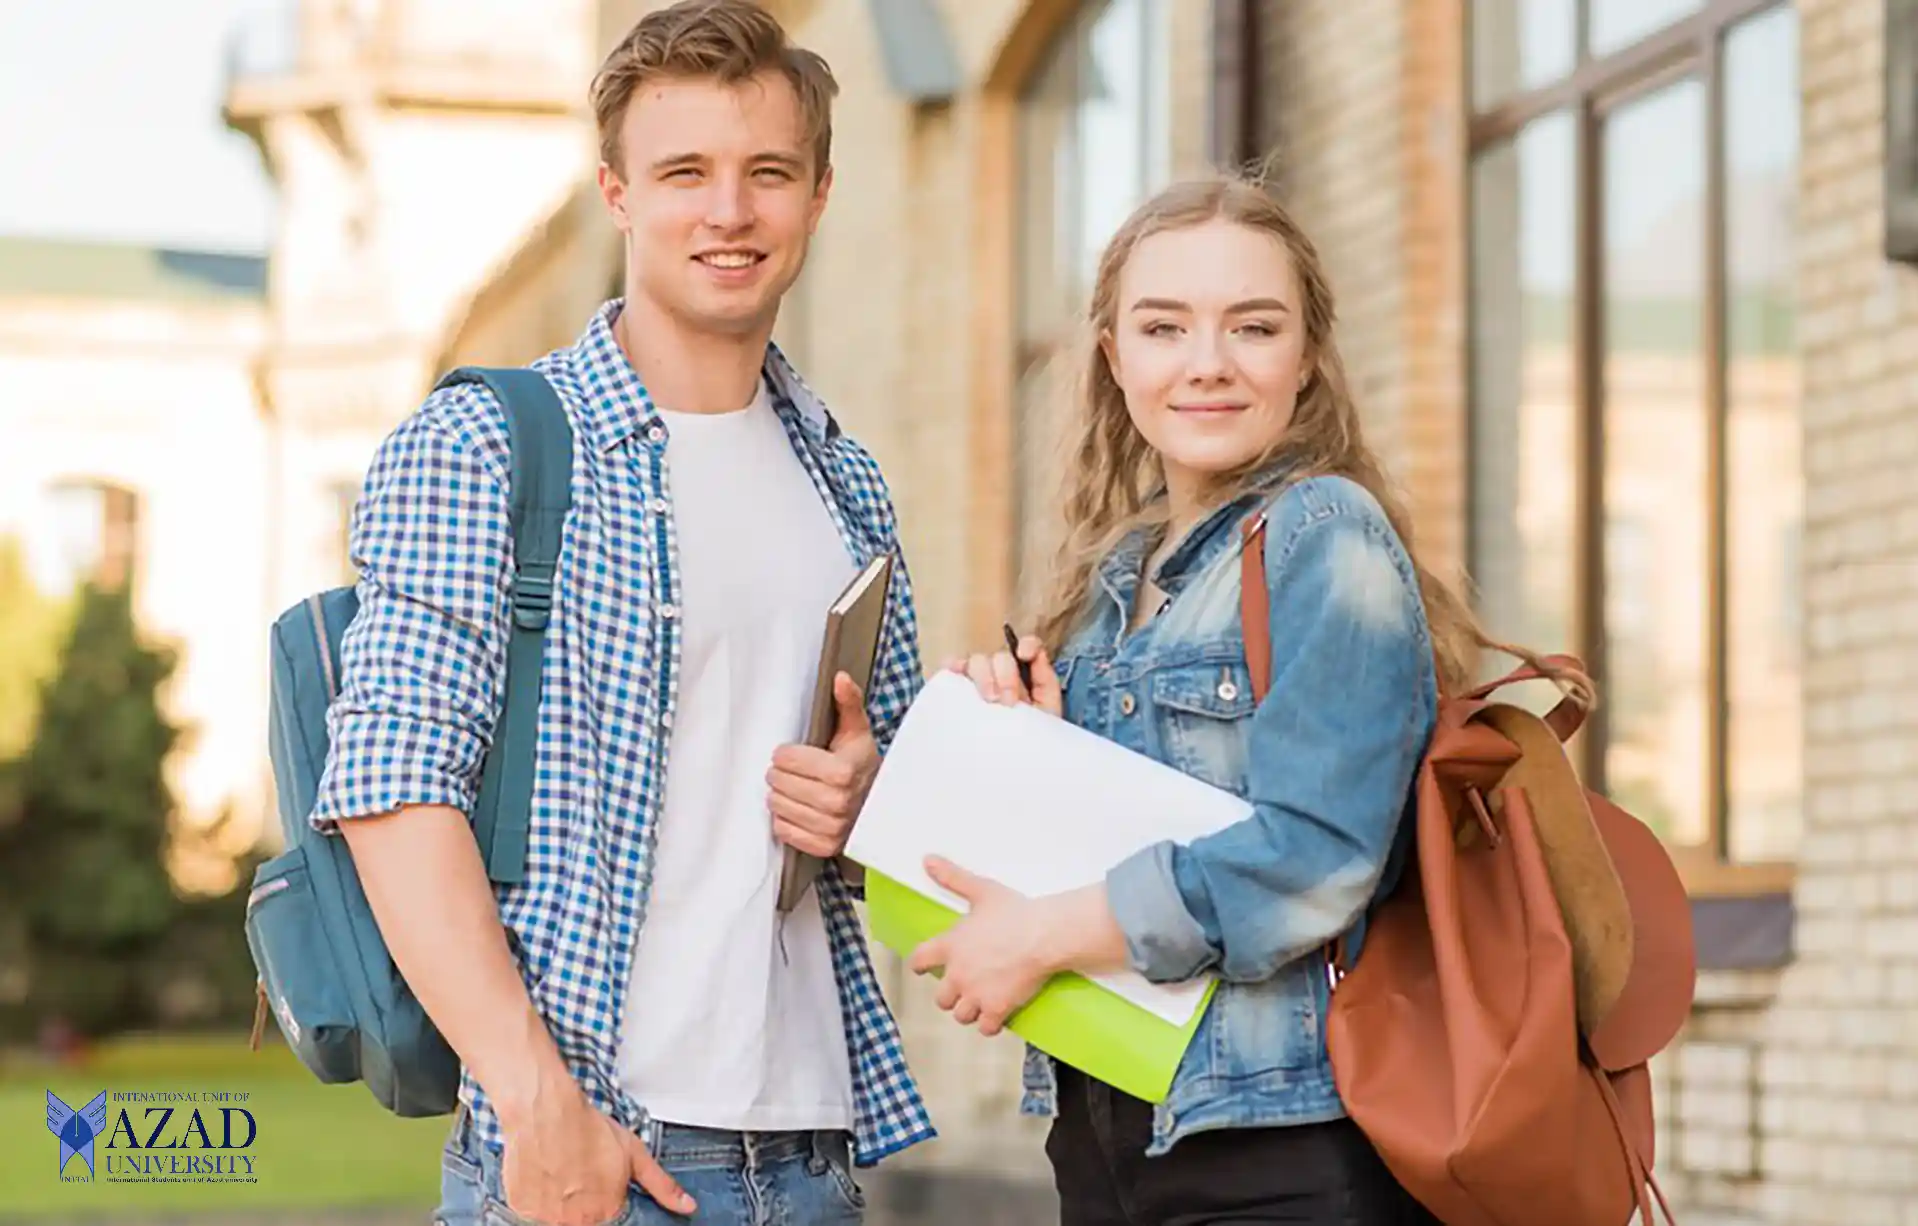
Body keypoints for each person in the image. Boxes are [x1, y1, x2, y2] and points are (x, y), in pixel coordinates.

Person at [311, 2, 933, 1223]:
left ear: (816, 196)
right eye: (684, 172)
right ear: (617, 194)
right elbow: (392, 787)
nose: (728, 210)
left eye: (768, 173)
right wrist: (536, 1101)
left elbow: (889, 845)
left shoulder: (844, 482)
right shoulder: (490, 443)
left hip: (811, 1153)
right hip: (596, 1153)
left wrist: (865, 799)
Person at [914, 175, 1460, 1224]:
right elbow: (1137, 837)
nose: (1207, 363)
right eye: (1164, 327)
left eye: (1253, 327)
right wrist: (1036, 749)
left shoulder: (1322, 534)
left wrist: (1046, 933)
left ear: (1305, 359)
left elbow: (1318, 853)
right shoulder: (1116, 578)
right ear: (1115, 357)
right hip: (1111, 1124)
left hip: (1280, 1141)